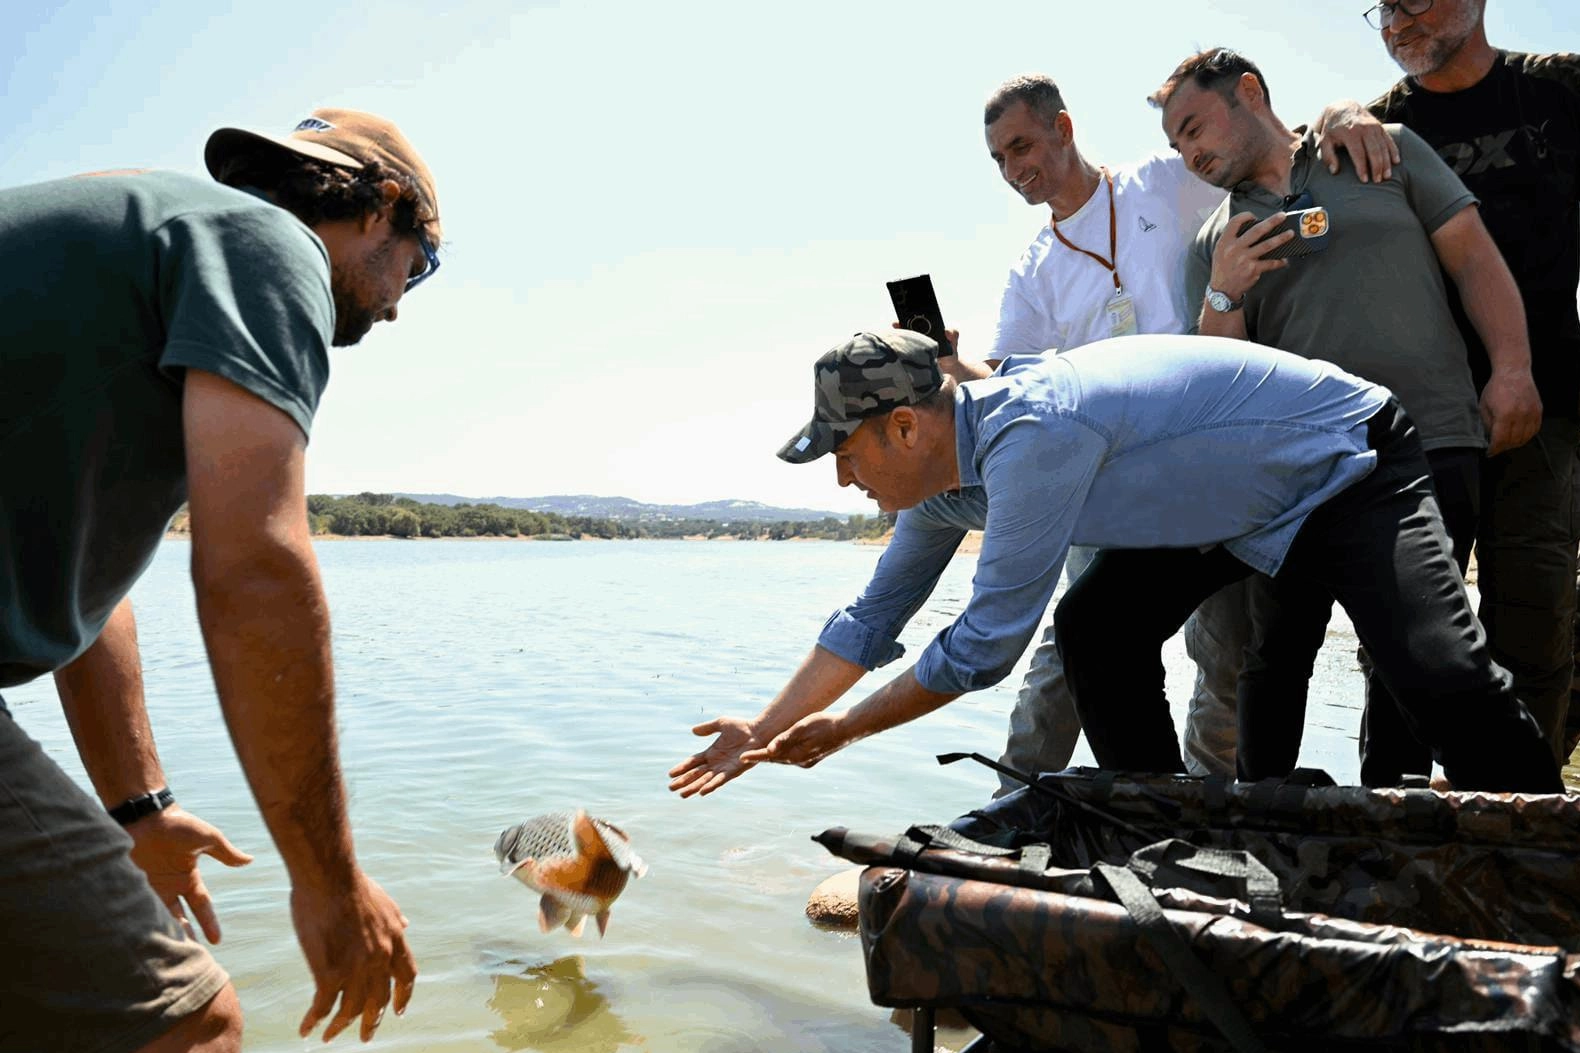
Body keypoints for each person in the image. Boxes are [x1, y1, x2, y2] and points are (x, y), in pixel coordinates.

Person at [666, 329, 1562, 800]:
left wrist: (846, 730)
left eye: (847, 450)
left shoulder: (1032, 434)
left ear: (906, 426)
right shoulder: (940, 484)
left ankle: (1550, 852)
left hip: (1346, 459)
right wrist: (763, 725)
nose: (840, 475)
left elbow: (982, 646)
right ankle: (1166, 827)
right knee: (1096, 628)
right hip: (1224, 504)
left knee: (1436, 671)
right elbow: (873, 619)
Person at [0, 109, 441, 1051]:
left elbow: (94, 590)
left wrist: (140, 809)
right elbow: (255, 566)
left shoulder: (136, 254)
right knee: (184, 1023)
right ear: (383, 209)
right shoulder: (264, 242)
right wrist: (328, 884)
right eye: (420, 263)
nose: (402, 303)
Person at [971, 74, 1397, 788]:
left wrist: (1341, 112)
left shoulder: (1166, 182)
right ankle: (1011, 802)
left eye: (1021, 146)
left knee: (1228, 648)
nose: (1015, 171)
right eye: (999, 160)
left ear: (1064, 128)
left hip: (1213, 463)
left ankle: (1210, 805)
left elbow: (1268, 151)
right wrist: (945, 368)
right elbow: (1004, 380)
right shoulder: (1032, 271)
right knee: (1075, 639)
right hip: (1108, 478)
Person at [1152, 47, 1540, 783]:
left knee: (1411, 657)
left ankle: (1392, 829)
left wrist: (1514, 368)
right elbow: (1216, 384)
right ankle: (1264, 824)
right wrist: (1225, 293)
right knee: (1276, 654)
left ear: (1249, 92)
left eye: (1195, 127)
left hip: (1432, 442)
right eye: (1176, 145)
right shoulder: (1212, 244)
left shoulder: (1379, 150)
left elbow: (1474, 260)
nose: (1190, 153)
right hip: (1296, 478)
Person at [1356, 0, 1580, 772]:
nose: (1397, 21)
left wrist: (1518, 373)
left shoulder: (1557, 90)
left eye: (1413, 0)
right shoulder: (1375, 126)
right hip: (1418, 421)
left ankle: (1528, 829)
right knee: (1405, 634)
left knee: (1535, 623)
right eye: (1382, 9)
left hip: (1546, 406)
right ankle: (1389, 821)